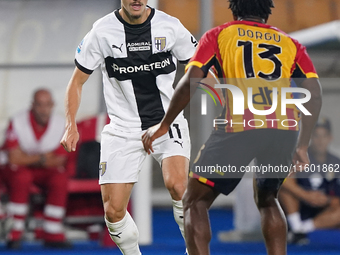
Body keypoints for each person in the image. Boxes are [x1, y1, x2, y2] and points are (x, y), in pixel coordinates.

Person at [141, 0, 322, 254]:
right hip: (284, 128)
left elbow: (192, 79)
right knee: (269, 198)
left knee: (194, 200)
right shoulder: (290, 43)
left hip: (241, 126)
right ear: (267, 10)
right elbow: (313, 93)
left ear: (234, 7)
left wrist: (164, 123)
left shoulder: (219, 35)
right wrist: (303, 145)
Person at [60, 0, 197, 254]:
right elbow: (76, 82)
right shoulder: (102, 31)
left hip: (167, 121)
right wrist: (71, 125)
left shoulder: (170, 27)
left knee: (178, 185)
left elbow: (197, 68)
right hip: (122, 127)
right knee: (113, 212)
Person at [2, 89, 70, 249]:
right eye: (39, 105)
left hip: (41, 169)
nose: (43, 110)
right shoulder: (18, 121)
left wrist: (26, 156)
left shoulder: (61, 124)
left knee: (59, 178)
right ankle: (15, 230)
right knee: (21, 176)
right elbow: (13, 158)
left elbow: (60, 160)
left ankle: (52, 230)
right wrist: (42, 157)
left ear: (52, 105)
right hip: (14, 170)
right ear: (33, 105)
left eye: (47, 105)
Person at [280, 118, 340, 245]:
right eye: (316, 136)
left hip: (322, 211)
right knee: (283, 188)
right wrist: (305, 195)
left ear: (330, 138)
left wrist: (326, 200)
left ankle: (301, 230)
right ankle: (295, 225)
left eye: (324, 136)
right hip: (297, 207)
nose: (320, 141)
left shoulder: (336, 163)